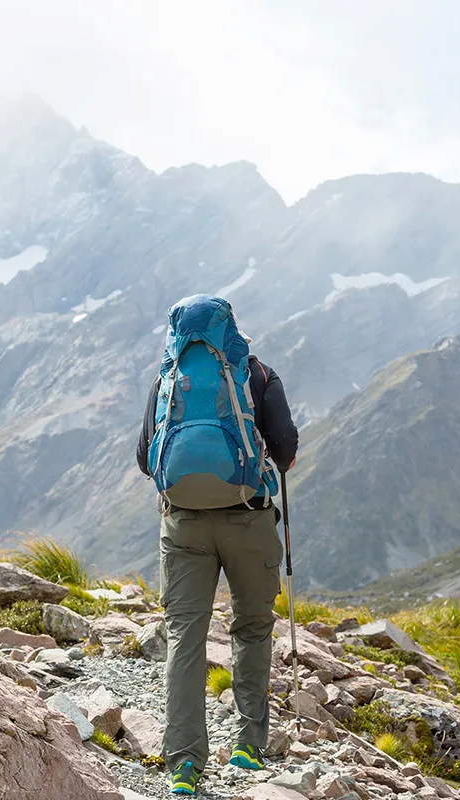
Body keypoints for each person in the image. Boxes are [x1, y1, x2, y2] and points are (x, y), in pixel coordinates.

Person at [136, 294, 299, 795]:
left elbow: (146, 459)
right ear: (230, 327)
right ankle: (249, 745)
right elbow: (287, 450)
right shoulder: (257, 374)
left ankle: (184, 761)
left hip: (183, 524)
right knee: (251, 627)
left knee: (186, 635)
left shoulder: (169, 377)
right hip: (247, 522)